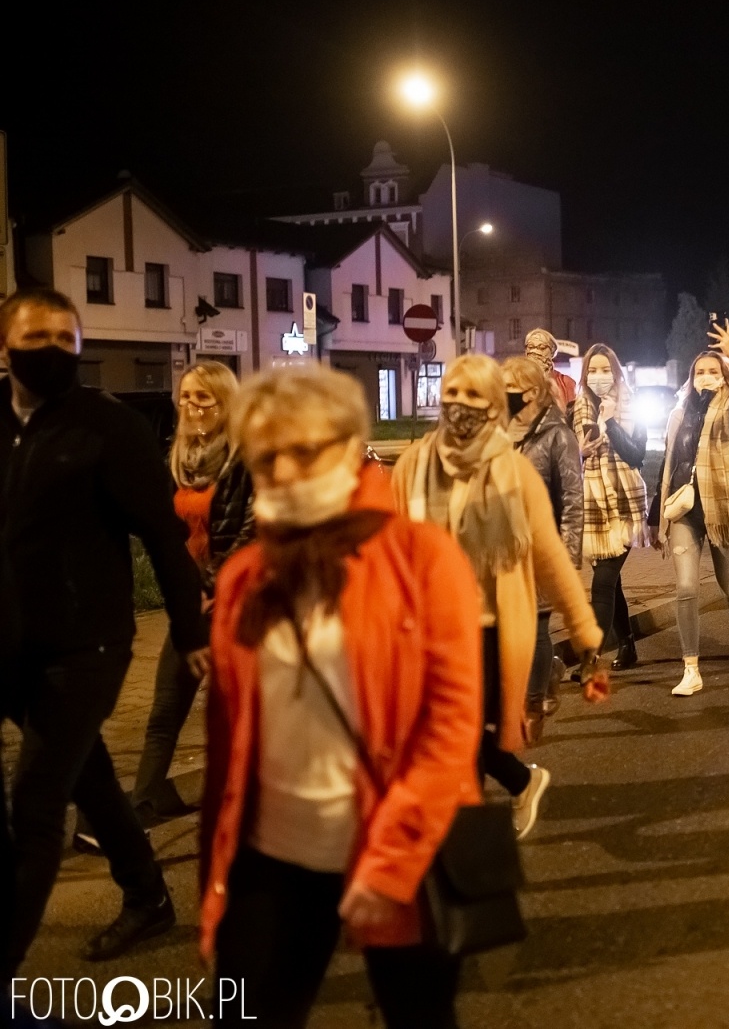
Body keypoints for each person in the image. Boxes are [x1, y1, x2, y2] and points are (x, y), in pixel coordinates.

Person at [202, 365, 482, 1026]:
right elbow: (226, 744)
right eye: (266, 456)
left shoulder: (421, 557)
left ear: (352, 445)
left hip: (398, 846)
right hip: (272, 859)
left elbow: (450, 726)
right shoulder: (245, 576)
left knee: (419, 1016)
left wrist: (390, 865)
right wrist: (217, 883)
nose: (283, 471)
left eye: (304, 451)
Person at [0, 288, 203, 970]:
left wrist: (190, 632)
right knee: (87, 774)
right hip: (8, 642)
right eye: (38, 338)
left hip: (85, 644)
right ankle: (147, 894)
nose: (55, 351)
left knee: (36, 805)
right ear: (5, 347)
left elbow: (163, 537)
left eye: (68, 338)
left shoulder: (108, 427)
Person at [392, 354, 603, 838]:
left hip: (488, 626)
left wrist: (584, 631)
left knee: (460, 735)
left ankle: (469, 844)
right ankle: (517, 785)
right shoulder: (412, 466)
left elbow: (549, 552)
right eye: (453, 392)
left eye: (473, 394)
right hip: (432, 627)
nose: (459, 403)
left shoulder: (515, 471)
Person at [130, 361, 255, 829]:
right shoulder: (179, 459)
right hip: (193, 603)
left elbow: (253, 529)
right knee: (166, 707)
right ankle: (145, 803)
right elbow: (166, 532)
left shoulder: (246, 456)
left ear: (225, 402)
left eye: (203, 397)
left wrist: (210, 586)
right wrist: (186, 590)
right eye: (185, 397)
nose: (192, 406)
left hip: (236, 603)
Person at [648, 320, 729, 696]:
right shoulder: (680, 412)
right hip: (685, 510)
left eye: (713, 371)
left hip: (723, 509)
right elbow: (668, 464)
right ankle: (691, 668)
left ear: (724, 376)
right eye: (699, 372)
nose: (705, 377)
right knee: (685, 587)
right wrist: (655, 516)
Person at [503, 355, 583, 723]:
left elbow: (573, 500)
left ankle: (531, 705)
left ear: (534, 392)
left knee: (535, 625)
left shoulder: (558, 436)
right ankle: (548, 671)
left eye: (512, 388)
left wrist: (568, 557)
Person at [574, 344, 650, 670]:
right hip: (592, 508)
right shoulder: (578, 408)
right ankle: (628, 644)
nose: (599, 376)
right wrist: (579, 452)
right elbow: (567, 462)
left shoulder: (632, 406)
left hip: (625, 504)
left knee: (602, 584)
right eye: (593, 370)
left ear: (616, 373)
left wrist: (611, 422)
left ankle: (589, 659)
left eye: (605, 370)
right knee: (612, 583)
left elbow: (636, 455)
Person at [525, 328, 576, 408]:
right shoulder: (516, 380)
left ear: (552, 351)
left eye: (542, 348)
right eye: (530, 347)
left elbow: (570, 412)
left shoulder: (566, 382)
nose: (535, 351)